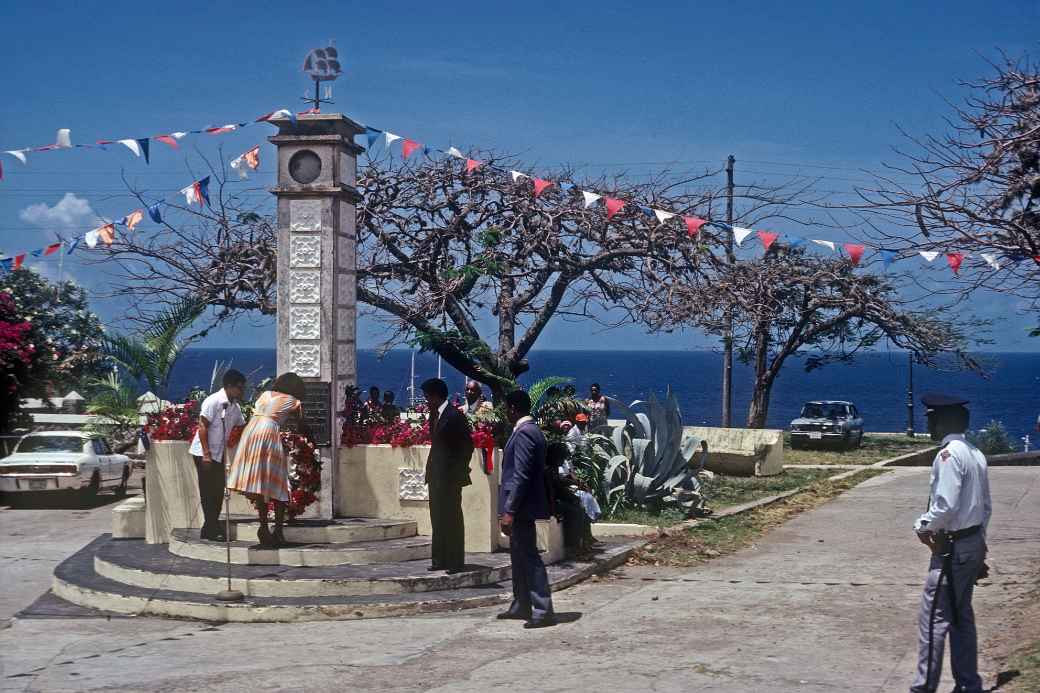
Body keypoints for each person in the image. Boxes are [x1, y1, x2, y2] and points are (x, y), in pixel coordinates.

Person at [909, 393, 992, 693]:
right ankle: (969, 685)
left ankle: (923, 688)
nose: (928, 424)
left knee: (933, 620)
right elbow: (985, 508)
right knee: (961, 618)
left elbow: (945, 506)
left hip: (951, 548)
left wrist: (922, 525)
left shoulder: (947, 455)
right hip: (970, 543)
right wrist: (980, 549)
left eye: (932, 418)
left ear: (945, 421)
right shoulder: (975, 453)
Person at [498, 389, 556, 628]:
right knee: (519, 556)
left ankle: (542, 609)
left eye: (506, 409)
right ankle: (521, 603)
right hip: (523, 505)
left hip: (520, 507)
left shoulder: (524, 433)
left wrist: (509, 510)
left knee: (529, 557)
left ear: (513, 408)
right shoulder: (532, 430)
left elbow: (521, 475)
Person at [227, 373, 306, 548]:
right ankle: (277, 530)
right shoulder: (293, 401)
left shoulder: (265, 395)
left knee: (260, 484)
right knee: (278, 484)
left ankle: (263, 527)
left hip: (251, 432)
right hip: (268, 433)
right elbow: (302, 424)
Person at [422, 378, 474, 573]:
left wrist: (456, 471)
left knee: (452, 519)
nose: (426, 400)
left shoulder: (454, 416)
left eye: (428, 397)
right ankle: (439, 559)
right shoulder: (434, 415)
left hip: (450, 479)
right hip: (435, 477)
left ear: (436, 396)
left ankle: (454, 561)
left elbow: (467, 447)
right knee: (438, 519)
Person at [188, 369, 246, 541]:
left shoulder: (235, 407)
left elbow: (241, 426)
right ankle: (212, 528)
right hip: (203, 453)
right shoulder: (213, 401)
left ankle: (209, 528)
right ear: (228, 386)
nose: (242, 391)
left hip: (219, 454)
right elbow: (202, 426)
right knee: (207, 491)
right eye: (239, 388)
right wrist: (206, 454)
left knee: (218, 492)